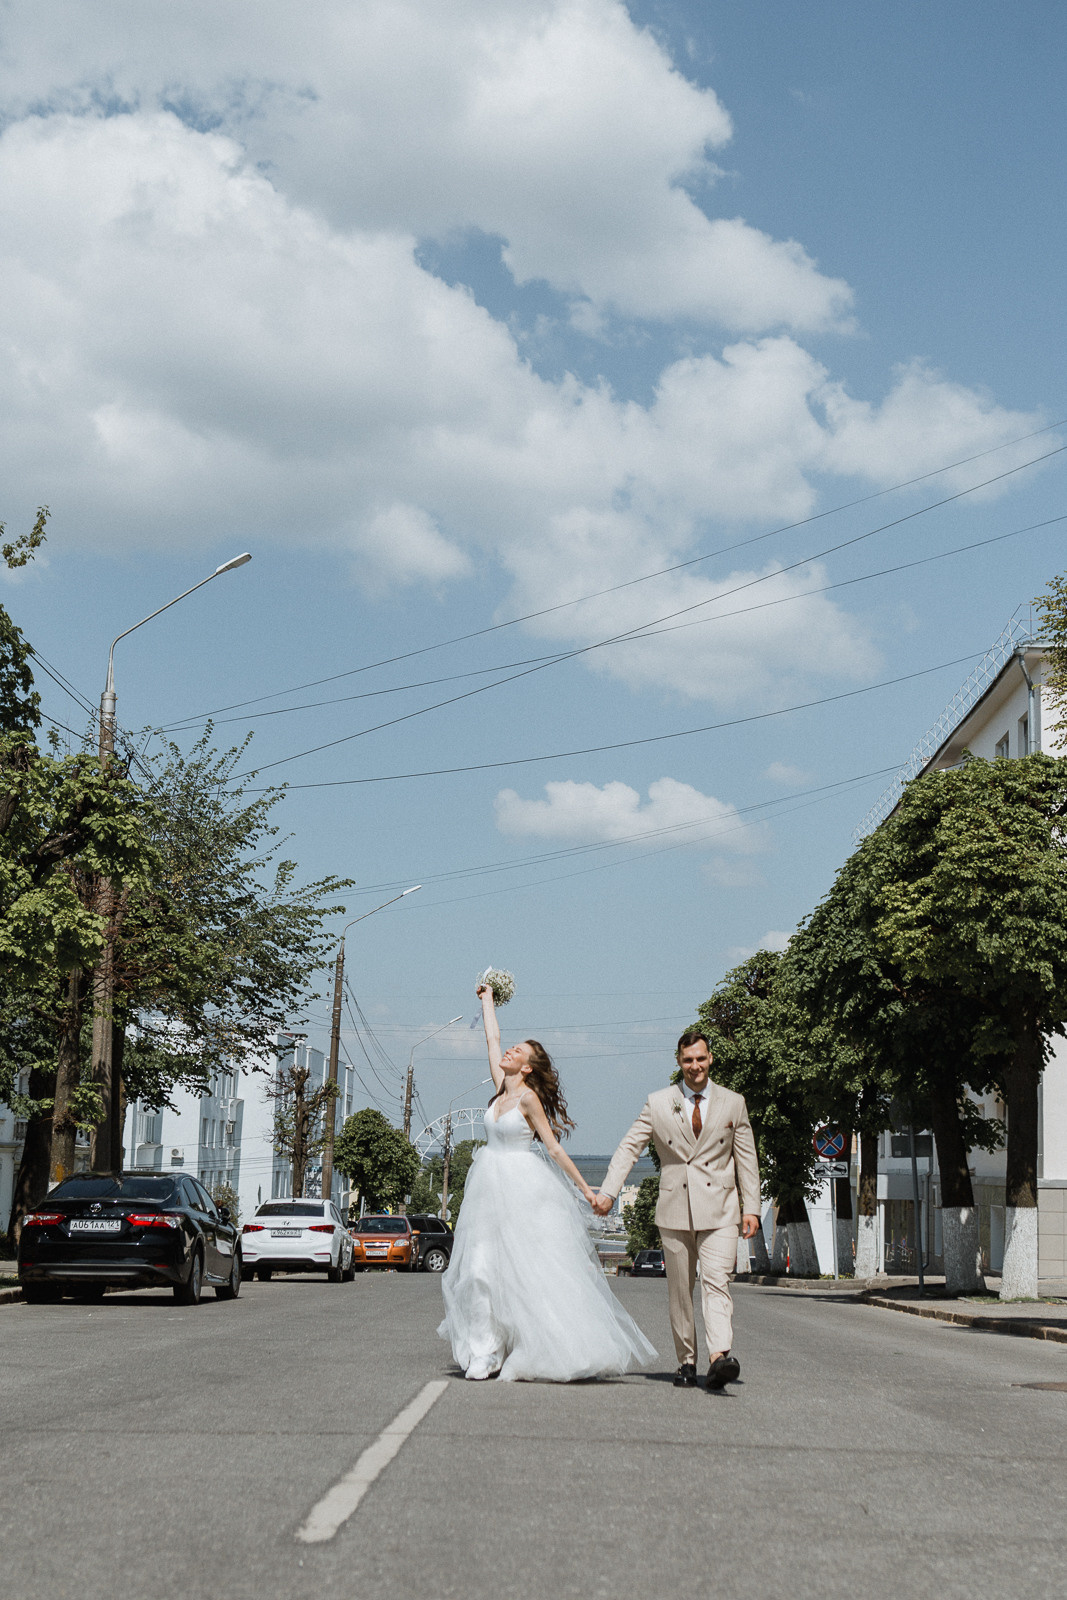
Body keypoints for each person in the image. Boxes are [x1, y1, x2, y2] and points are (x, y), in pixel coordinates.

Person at [438, 983, 657, 1382]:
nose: (509, 1052)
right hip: (486, 1190)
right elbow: (492, 1039)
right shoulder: (499, 1088)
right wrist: (487, 1001)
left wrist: (587, 1191)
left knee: (521, 1273)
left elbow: (554, 1149)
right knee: (479, 1270)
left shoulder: (527, 1099)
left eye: (517, 1052)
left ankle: (533, 1344)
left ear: (527, 1069)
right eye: (512, 1048)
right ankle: (485, 1352)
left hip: (522, 1191)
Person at [593, 1029, 761, 1391]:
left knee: (717, 1282)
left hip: (721, 1210)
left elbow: (746, 1157)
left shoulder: (734, 1103)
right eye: (688, 1060)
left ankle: (719, 1357)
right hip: (675, 1210)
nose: (695, 1066)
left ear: (710, 1058)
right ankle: (687, 1361)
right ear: (679, 1062)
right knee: (680, 1291)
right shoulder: (658, 1102)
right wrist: (608, 1192)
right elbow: (629, 1148)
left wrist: (752, 1207)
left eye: (700, 1058)